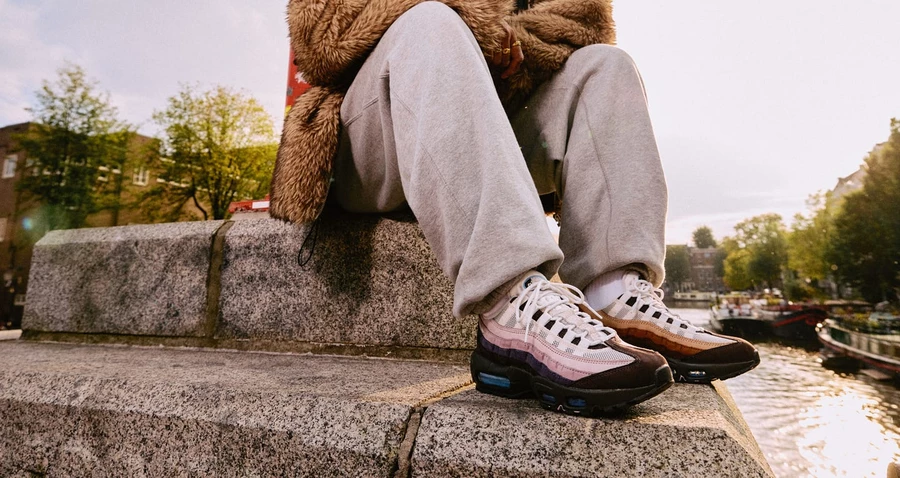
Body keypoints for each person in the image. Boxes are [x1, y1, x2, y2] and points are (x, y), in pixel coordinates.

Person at [271, 0, 760, 416]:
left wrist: (517, 44)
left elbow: (586, 22)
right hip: (372, 132)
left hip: (490, 121)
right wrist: (470, 22)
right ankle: (512, 306)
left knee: (606, 65)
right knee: (431, 21)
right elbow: (321, 36)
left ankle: (615, 296)